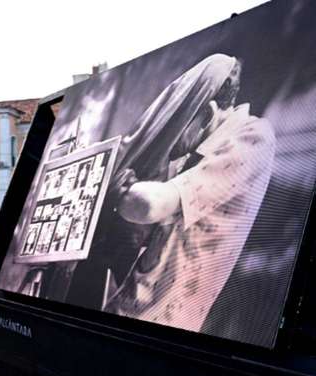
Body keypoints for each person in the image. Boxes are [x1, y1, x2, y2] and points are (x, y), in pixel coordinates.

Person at [90, 54, 276, 332]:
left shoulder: (254, 136)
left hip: (163, 325)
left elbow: (148, 206)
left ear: (209, 114)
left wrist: (114, 184)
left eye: (179, 124)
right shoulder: (198, 151)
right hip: (130, 309)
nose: (173, 138)